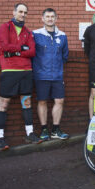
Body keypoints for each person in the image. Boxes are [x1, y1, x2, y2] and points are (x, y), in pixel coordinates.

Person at [0, 3, 42, 150]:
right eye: (20, 11)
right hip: (9, 71)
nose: (23, 15)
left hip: (26, 71)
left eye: (25, 12)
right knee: (3, 103)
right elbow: (3, 47)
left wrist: (14, 51)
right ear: (14, 12)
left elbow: (32, 51)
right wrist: (21, 48)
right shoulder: (5, 27)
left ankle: (30, 133)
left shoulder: (28, 32)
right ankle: (0, 137)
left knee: (26, 103)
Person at [33, 8, 69, 141]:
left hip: (57, 76)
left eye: (52, 16)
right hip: (41, 75)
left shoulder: (63, 36)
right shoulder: (35, 34)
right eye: (47, 16)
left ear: (56, 18)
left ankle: (55, 129)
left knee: (59, 101)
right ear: (42, 19)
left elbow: (65, 56)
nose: (50, 19)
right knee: (42, 101)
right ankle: (43, 130)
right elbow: (32, 54)